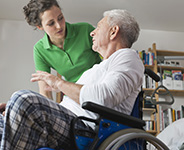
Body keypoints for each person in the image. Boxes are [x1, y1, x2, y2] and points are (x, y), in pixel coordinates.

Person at [0, 9, 144, 149]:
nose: (92, 32)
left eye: (98, 27)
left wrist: (58, 83)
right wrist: (15, 108)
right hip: (68, 120)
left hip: (85, 128)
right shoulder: (97, 68)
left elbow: (102, 98)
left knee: (23, 99)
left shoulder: (127, 57)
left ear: (113, 32)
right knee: (5, 116)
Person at [23, 0, 101, 99]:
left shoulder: (85, 30)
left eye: (60, 18)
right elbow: (45, 91)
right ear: (40, 26)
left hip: (99, 86)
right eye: (51, 23)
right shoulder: (40, 50)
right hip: (74, 95)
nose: (59, 26)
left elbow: (109, 57)